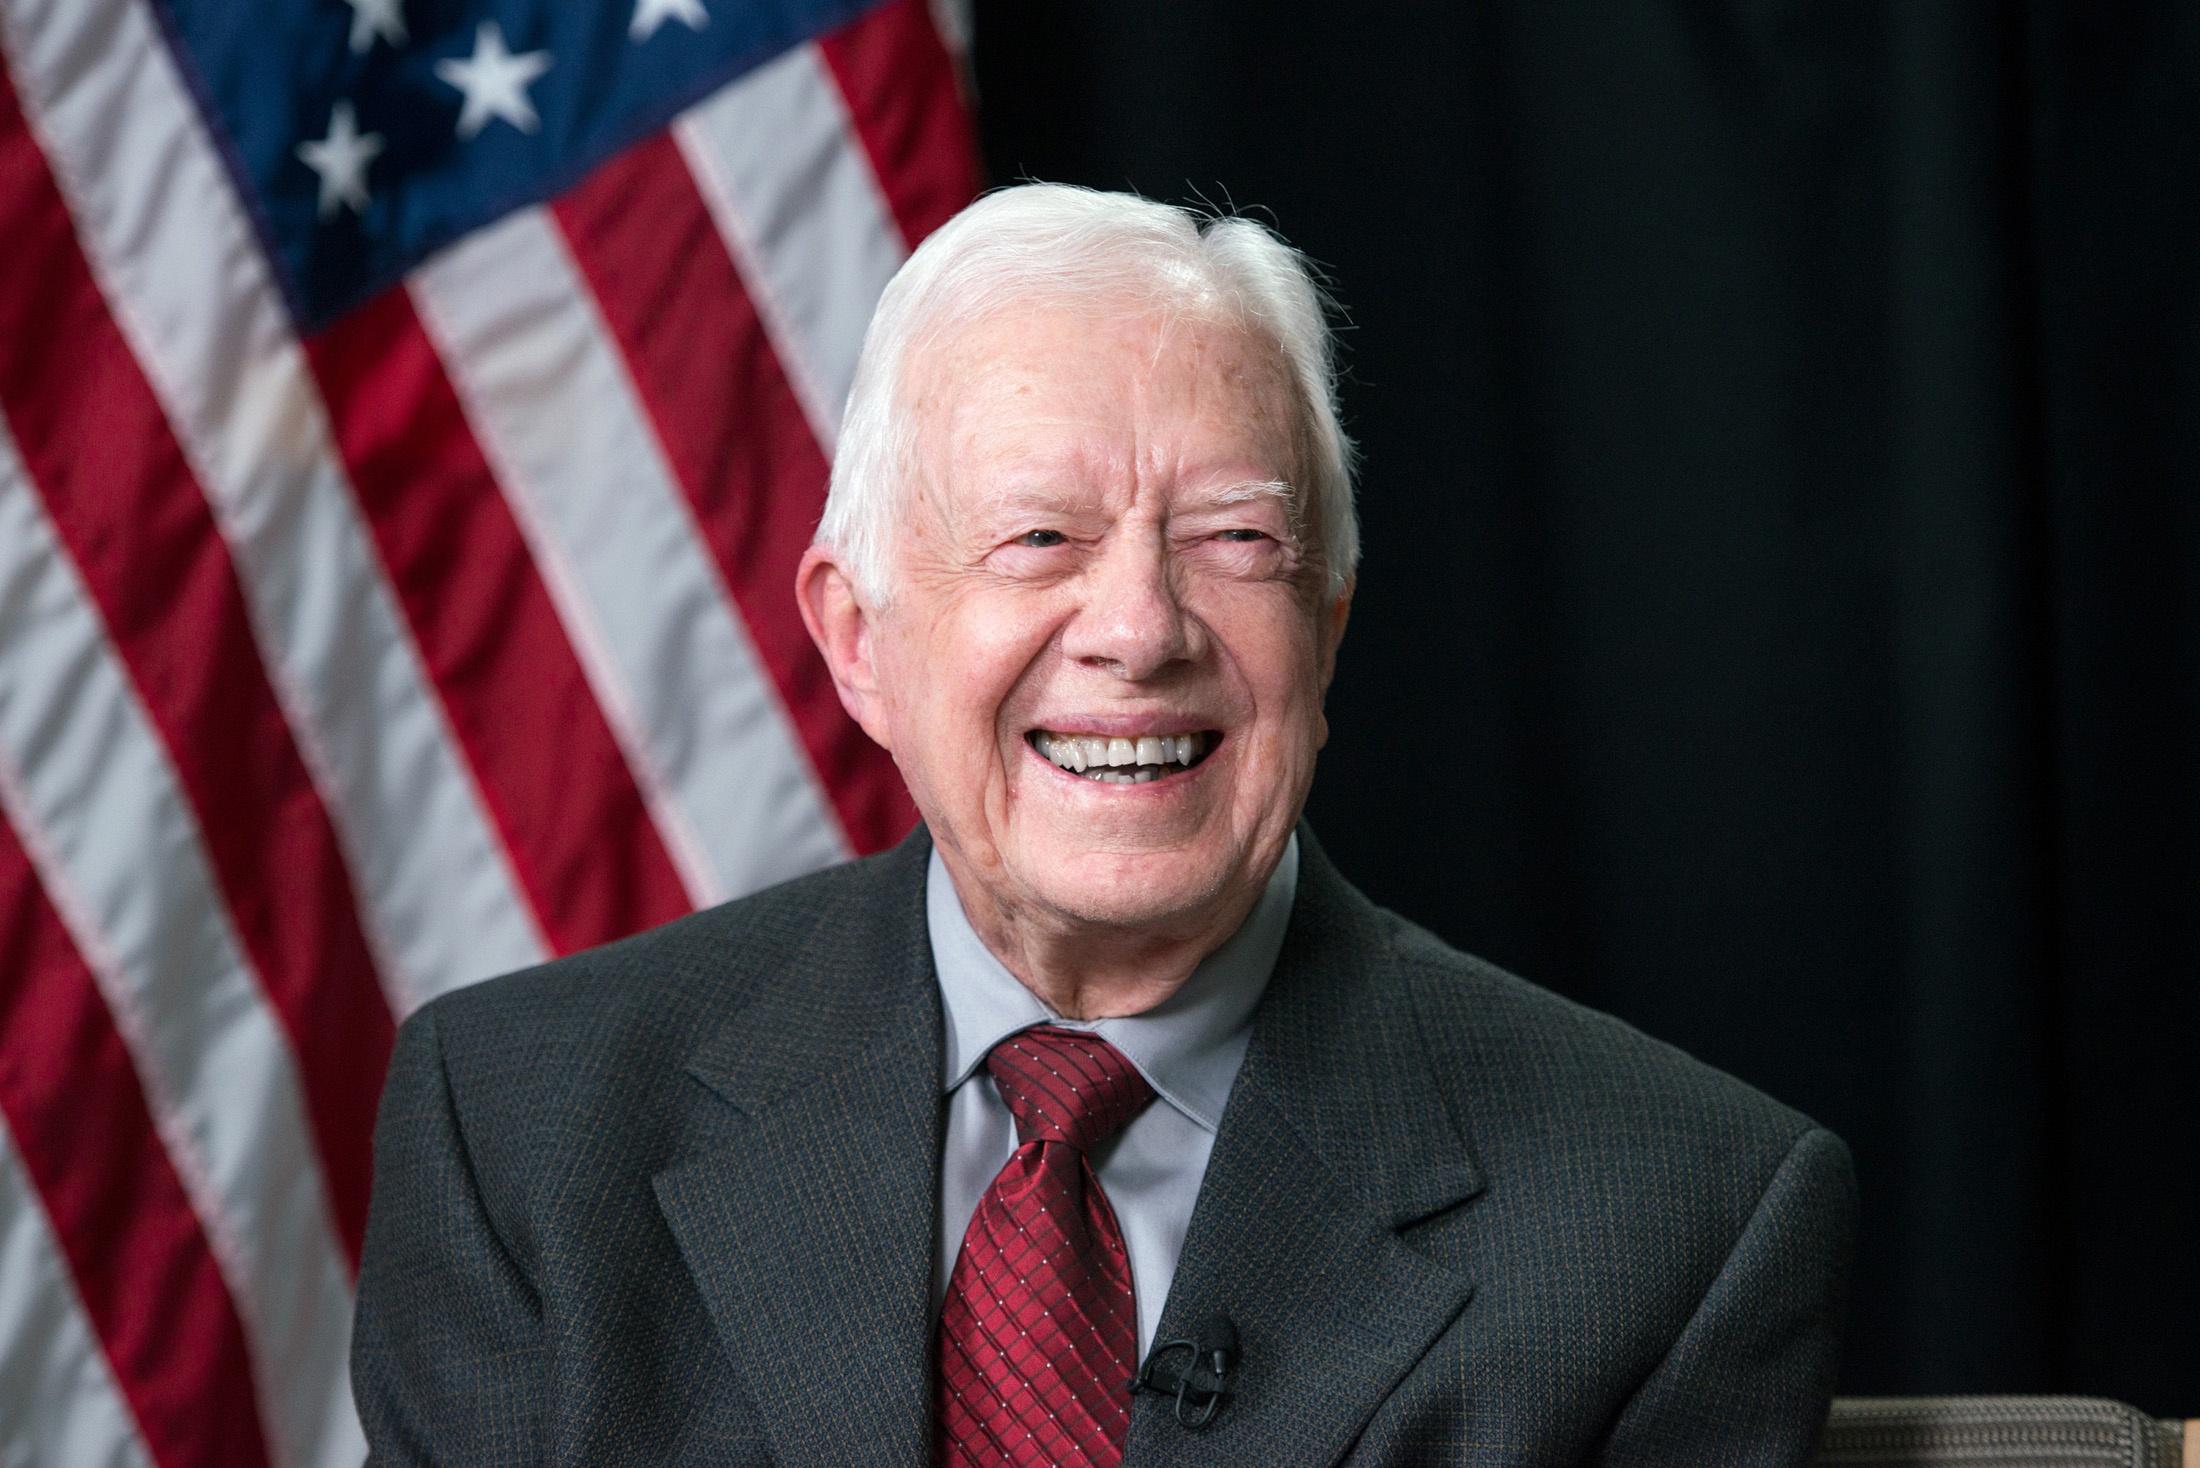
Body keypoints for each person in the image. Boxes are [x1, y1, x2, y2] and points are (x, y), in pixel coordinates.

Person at [352, 183, 1856, 1467]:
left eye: (1234, 540)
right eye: (1039, 539)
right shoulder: (522, 1136)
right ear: (859, 638)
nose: (1138, 630)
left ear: (1324, 629)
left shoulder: (1678, 1220)